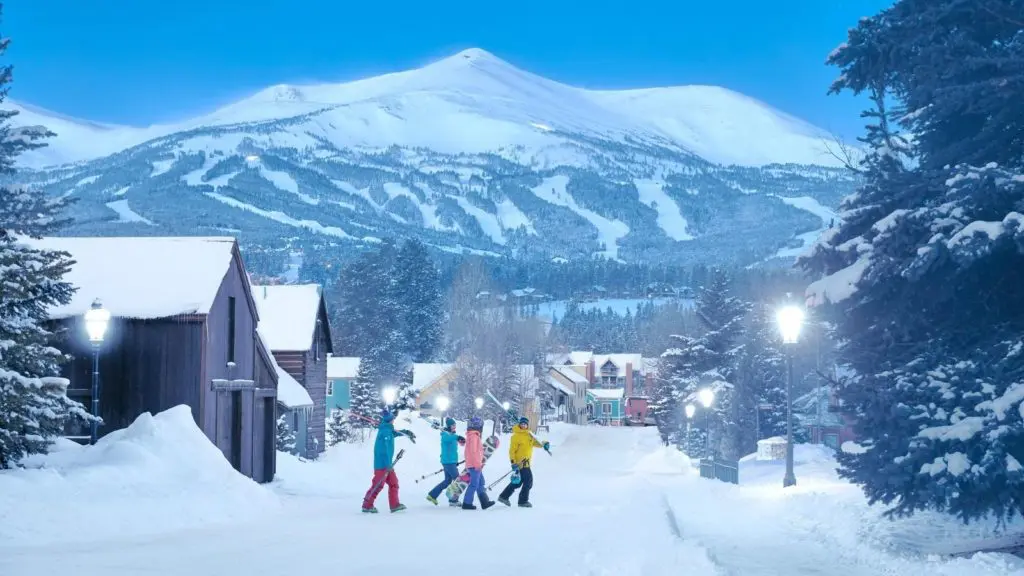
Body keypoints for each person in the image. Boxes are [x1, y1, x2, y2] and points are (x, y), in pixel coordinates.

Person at [361, 409, 416, 513]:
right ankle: (367, 505)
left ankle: (394, 505)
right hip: (382, 464)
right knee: (378, 485)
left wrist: (407, 433)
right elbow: (385, 450)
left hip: (387, 464)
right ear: (390, 420)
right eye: (393, 419)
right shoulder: (385, 432)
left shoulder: (387, 430)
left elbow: (395, 433)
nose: (394, 420)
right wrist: (388, 465)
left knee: (394, 483)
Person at [497, 416, 549, 508]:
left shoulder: (529, 435)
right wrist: (513, 463)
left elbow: (536, 443)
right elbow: (512, 451)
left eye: (525, 424)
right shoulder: (516, 436)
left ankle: (503, 496)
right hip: (520, 464)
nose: (523, 425)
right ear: (519, 424)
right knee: (528, 482)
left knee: (518, 482)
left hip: (526, 462)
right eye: (522, 424)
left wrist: (544, 444)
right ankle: (523, 501)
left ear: (527, 425)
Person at [426, 417, 465, 505]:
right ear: (448, 426)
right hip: (448, 462)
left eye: (455, 425)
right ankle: (453, 500)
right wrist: (458, 437)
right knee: (457, 481)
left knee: (448, 481)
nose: (454, 427)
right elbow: (449, 438)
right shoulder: (445, 435)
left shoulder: (451, 435)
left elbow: (452, 448)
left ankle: (432, 495)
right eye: (452, 425)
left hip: (451, 462)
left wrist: (455, 462)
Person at [461, 416, 495, 510]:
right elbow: (474, 452)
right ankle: (467, 503)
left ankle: (485, 502)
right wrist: (477, 464)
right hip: (474, 465)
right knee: (474, 484)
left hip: (474, 464)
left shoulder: (472, 436)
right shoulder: (474, 436)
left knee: (480, 482)